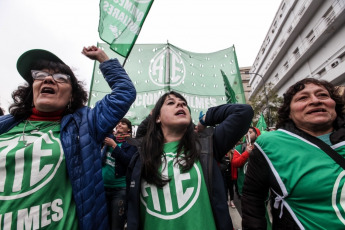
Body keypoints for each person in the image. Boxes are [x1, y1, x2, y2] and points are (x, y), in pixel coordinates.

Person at [0, 45, 136, 229]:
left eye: (60, 78)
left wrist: (103, 58)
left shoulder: (86, 126)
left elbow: (124, 93)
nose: (48, 78)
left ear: (71, 95)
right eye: (40, 75)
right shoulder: (5, 126)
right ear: (31, 90)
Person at [126, 91, 253, 230]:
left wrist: (206, 118)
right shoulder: (141, 156)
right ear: (157, 118)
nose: (180, 104)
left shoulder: (208, 145)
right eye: (171, 103)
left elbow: (243, 112)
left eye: (184, 104)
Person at [242, 78, 345, 229]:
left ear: (334, 104)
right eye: (303, 98)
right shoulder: (270, 144)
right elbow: (252, 199)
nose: (315, 101)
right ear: (289, 112)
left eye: (322, 95)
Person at [102, 118, 137, 230]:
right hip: (102, 188)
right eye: (118, 123)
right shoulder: (108, 139)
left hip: (119, 190)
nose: (119, 124)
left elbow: (128, 161)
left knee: (116, 224)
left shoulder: (131, 144)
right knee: (103, 223)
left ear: (129, 129)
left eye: (123, 123)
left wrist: (114, 146)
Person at [233, 127, 261, 198]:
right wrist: (246, 153)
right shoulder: (239, 148)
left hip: (260, 189)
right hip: (245, 189)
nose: (247, 134)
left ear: (257, 135)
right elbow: (235, 163)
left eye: (250, 132)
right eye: (246, 133)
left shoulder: (263, 148)